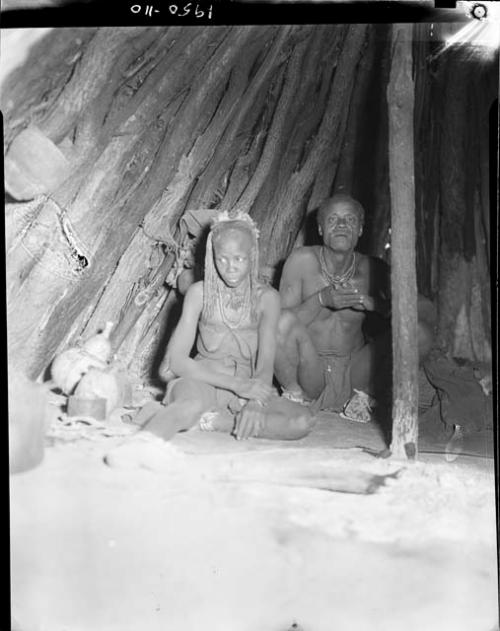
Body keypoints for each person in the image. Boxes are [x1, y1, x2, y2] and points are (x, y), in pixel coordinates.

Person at [123, 210, 314, 445]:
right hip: (201, 379)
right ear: (212, 256)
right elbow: (177, 362)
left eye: (239, 259)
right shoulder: (199, 293)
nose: (230, 267)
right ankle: (139, 447)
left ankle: (213, 422)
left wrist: (255, 401)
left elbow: (265, 363)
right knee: (189, 405)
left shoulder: (268, 299)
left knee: (301, 421)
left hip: (247, 384)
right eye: (222, 259)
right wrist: (237, 385)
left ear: (252, 255)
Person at [274, 193, 435, 423]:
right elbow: (280, 324)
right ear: (320, 229)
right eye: (333, 219)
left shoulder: (373, 268)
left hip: (356, 376)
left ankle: (367, 399)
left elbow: (426, 309)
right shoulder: (301, 261)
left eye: (349, 219)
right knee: (280, 323)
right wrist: (321, 299)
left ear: (360, 229)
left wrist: (380, 306)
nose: (341, 225)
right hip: (310, 371)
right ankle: (294, 397)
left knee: (420, 332)